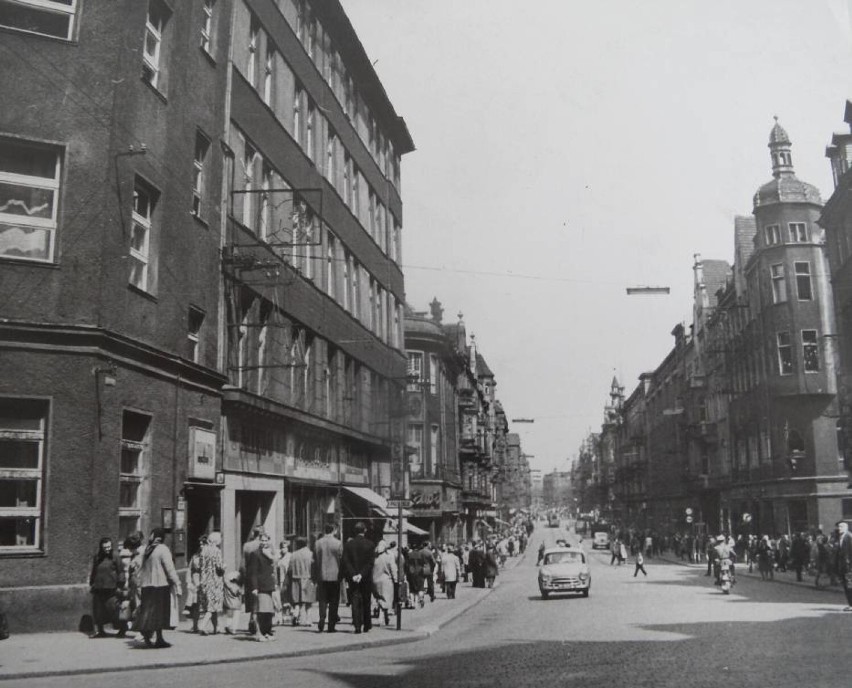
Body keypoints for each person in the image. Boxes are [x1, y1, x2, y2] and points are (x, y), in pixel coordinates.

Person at [132, 528, 182, 648]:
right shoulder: (163, 549)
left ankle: (153, 638)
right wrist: (177, 583)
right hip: (160, 585)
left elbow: (137, 566)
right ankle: (157, 638)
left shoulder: (147, 549)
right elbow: (170, 569)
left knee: (148, 612)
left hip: (146, 586)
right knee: (159, 614)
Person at [342, 521, 375, 634]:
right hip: (365, 578)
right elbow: (370, 563)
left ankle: (357, 626)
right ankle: (366, 624)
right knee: (366, 601)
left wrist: (353, 574)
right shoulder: (370, 544)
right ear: (364, 531)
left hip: (353, 578)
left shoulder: (348, 545)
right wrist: (361, 574)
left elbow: (346, 561)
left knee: (355, 601)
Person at [245, 532, 277, 641]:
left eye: (266, 540)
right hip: (260, 586)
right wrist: (254, 587)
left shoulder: (270, 553)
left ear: (269, 541)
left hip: (269, 586)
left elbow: (273, 568)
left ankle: (267, 632)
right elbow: (252, 572)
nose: (264, 542)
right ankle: (258, 633)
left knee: (268, 611)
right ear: (259, 541)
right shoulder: (255, 554)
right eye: (262, 540)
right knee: (259, 611)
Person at [314, 523, 343, 633]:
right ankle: (331, 626)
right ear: (334, 530)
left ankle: (322, 618)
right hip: (335, 576)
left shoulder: (318, 543)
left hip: (321, 575)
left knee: (323, 600)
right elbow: (341, 559)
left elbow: (315, 560)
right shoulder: (338, 543)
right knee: (334, 601)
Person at [89, 537, 119, 638]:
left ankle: (122, 629)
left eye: (109, 547)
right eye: (105, 547)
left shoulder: (115, 556)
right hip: (99, 587)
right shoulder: (97, 556)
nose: (107, 549)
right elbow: (94, 570)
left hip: (111, 588)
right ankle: (101, 631)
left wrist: (121, 585)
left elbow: (121, 571)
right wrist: (92, 582)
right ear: (101, 548)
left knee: (113, 609)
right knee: (98, 610)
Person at [197, 532, 225, 635]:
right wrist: (224, 567)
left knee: (210, 605)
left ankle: (216, 628)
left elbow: (199, 565)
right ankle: (202, 625)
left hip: (204, 581)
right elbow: (219, 566)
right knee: (212, 607)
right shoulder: (217, 551)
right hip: (215, 581)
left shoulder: (203, 551)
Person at [287, 537, 316, 627]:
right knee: (308, 601)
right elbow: (314, 568)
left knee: (297, 601)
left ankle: (296, 615)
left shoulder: (293, 555)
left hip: (295, 578)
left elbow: (290, 569)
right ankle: (308, 619)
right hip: (308, 578)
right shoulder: (310, 554)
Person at [371, 541, 397, 625]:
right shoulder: (389, 556)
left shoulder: (374, 556)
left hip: (375, 580)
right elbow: (393, 568)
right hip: (386, 580)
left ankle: (386, 617)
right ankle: (381, 618)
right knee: (386, 599)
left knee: (379, 598)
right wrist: (395, 579)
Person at [836, 521, 852, 611]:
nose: (839, 528)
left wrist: (849, 565)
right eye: (838, 527)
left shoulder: (849, 537)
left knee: (849, 586)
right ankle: (850, 604)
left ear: (846, 528)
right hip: (843, 566)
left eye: (841, 527)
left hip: (848, 567)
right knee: (846, 586)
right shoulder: (841, 537)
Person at [222, 570, 243, 634]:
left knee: (229, 616)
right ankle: (234, 629)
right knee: (236, 617)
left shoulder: (226, 585)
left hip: (228, 603)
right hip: (236, 604)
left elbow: (224, 579)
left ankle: (228, 625)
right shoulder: (236, 587)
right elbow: (240, 593)